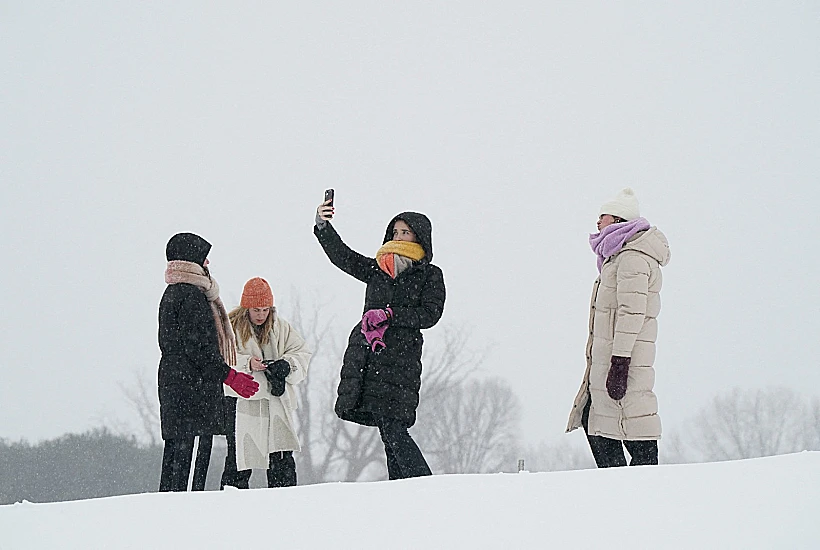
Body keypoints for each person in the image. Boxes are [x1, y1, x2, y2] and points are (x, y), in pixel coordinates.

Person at [314, 198, 445, 479]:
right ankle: (402, 486)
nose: (399, 237)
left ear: (420, 237)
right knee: (388, 426)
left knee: (393, 424)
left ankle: (421, 481)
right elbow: (343, 257)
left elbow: (430, 314)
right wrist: (323, 226)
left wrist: (390, 314)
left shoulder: (430, 274)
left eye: (405, 232)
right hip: (371, 357)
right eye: (395, 232)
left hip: (401, 360)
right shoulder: (377, 268)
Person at [566, 188, 670, 467]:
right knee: (599, 421)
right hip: (611, 360)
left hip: (624, 361)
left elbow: (631, 313)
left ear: (618, 220)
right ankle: (621, 482)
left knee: (628, 423)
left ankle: (629, 483)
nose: (597, 222)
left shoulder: (632, 258)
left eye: (603, 216)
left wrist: (620, 361)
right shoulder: (619, 257)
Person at [158, 232, 259, 492]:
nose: (208, 263)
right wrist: (228, 375)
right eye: (204, 257)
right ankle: (184, 517)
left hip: (179, 387)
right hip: (190, 390)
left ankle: (169, 514)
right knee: (189, 472)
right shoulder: (190, 296)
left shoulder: (173, 292)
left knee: (175, 465)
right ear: (193, 260)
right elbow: (198, 348)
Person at [220, 277, 312, 489]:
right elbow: (222, 357)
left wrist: (287, 365)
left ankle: (285, 502)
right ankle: (232, 504)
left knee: (281, 457)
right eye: (256, 310)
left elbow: (302, 352)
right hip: (241, 401)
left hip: (275, 401)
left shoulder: (281, 328)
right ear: (246, 309)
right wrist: (247, 363)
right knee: (239, 457)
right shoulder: (231, 328)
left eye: (265, 309)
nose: (261, 315)